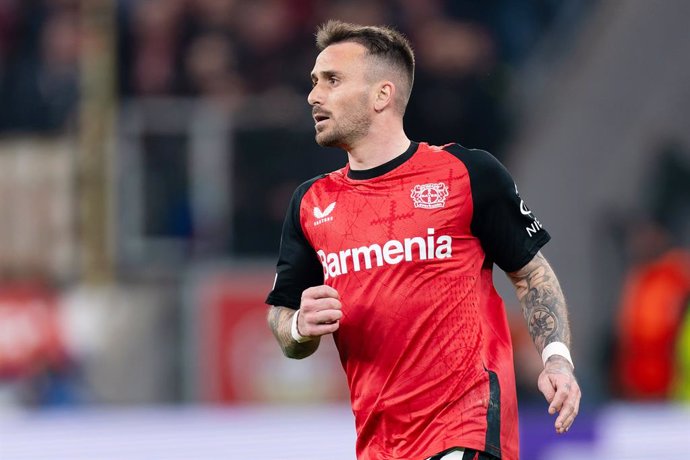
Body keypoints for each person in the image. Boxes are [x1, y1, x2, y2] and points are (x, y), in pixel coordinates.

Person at [266, 20, 580, 460]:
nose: (314, 95)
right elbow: (282, 316)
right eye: (314, 82)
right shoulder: (311, 204)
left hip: (466, 424)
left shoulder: (467, 173)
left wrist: (557, 358)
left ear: (382, 94)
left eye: (332, 80)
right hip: (380, 441)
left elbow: (530, 273)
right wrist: (298, 326)